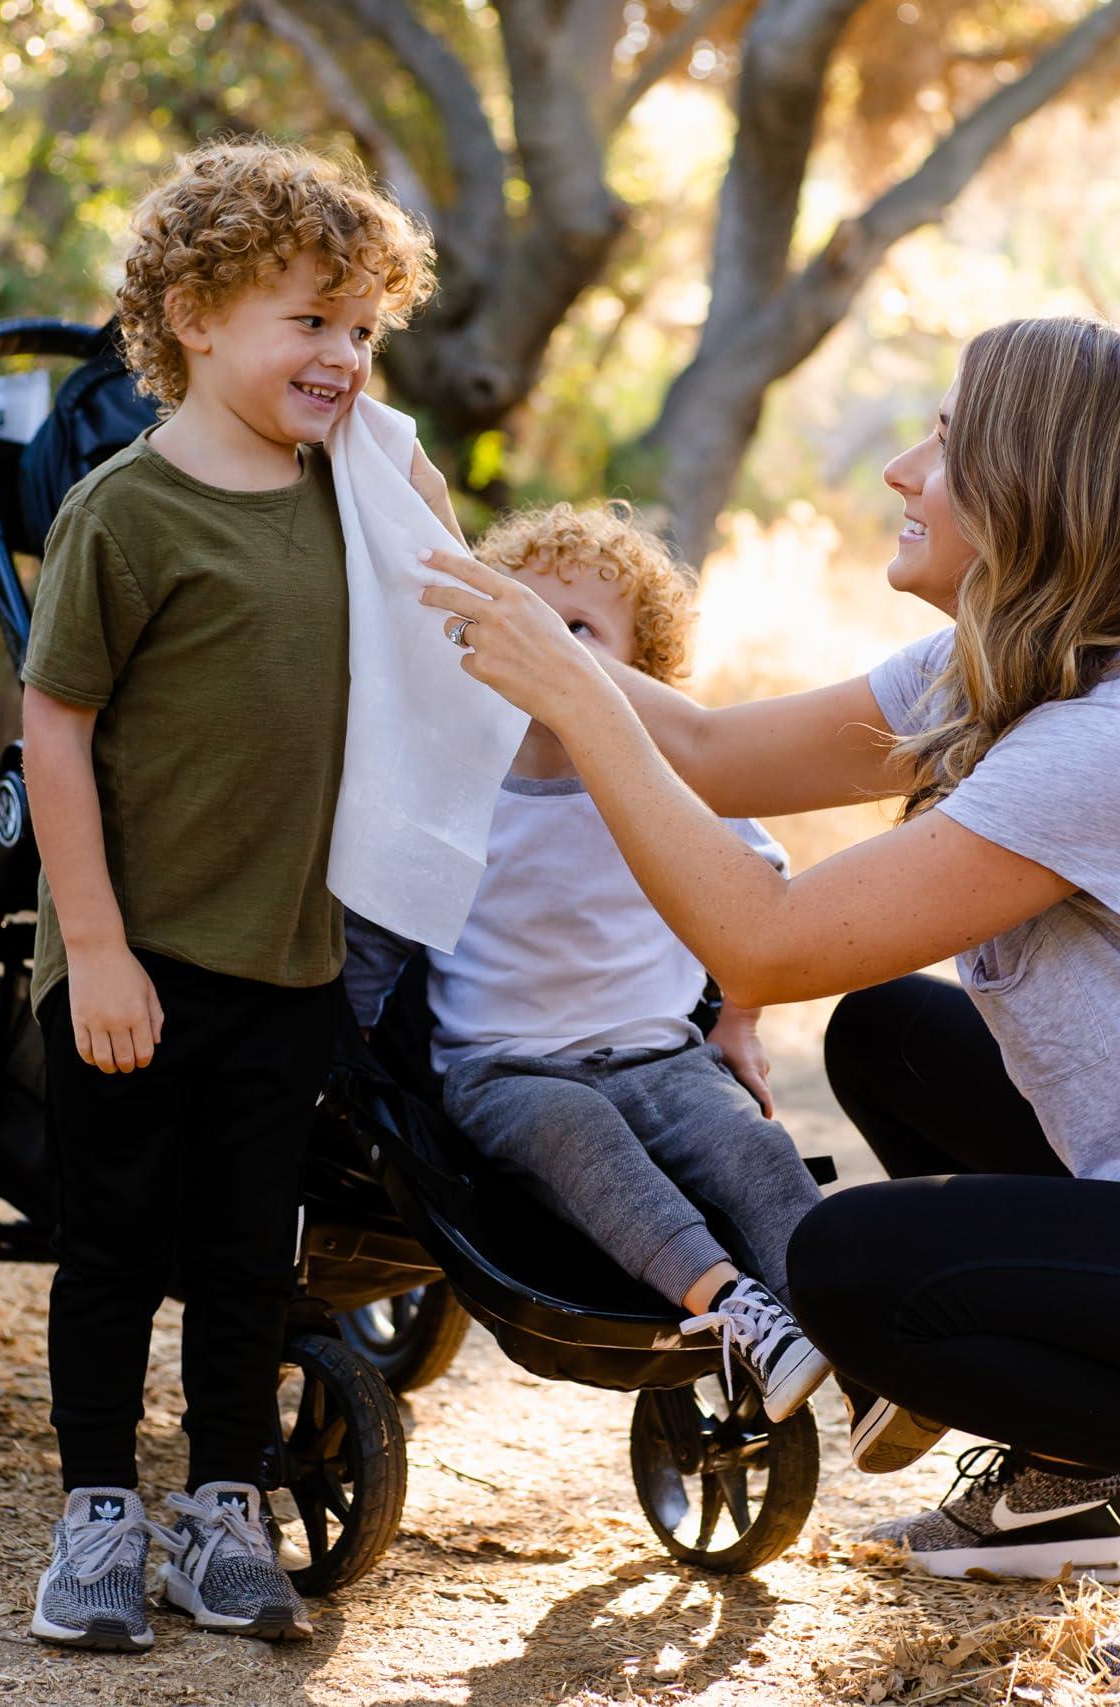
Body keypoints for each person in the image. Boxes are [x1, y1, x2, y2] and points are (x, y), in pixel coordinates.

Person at [409, 317, 1120, 1687]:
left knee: (851, 1271)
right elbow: (704, 750)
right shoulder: (1005, 672)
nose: (900, 470)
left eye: (942, 444)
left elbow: (760, 944)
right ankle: (1076, 1477)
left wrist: (575, 698)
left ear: (1033, 489)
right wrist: (459, 576)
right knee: (891, 1035)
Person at [20, 138, 447, 1651]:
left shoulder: (356, 497)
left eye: (364, 329)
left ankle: (220, 1504)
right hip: (137, 962)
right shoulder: (127, 513)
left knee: (247, 1258)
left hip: (290, 966)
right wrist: (93, 947)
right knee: (114, 1248)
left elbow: (445, 582)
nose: (343, 356)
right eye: (308, 320)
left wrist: (381, 439)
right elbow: (53, 728)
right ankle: (95, 1513)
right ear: (195, 316)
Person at [345, 503, 833, 1420]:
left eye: (580, 629)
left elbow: (755, 880)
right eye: (525, 619)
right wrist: (360, 1050)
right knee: (584, 1139)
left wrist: (738, 1022)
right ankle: (735, 1305)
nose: (550, 646)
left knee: (751, 1147)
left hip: (661, 1054)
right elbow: (381, 925)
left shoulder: (664, 774)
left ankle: (848, 1321)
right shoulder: (454, 780)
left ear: (643, 669)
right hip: (507, 1071)